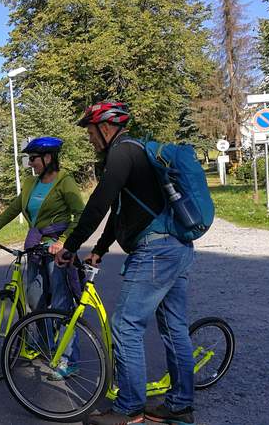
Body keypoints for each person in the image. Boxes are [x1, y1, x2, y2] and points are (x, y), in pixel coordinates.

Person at [53, 101, 196, 425]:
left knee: (126, 325)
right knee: (174, 329)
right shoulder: (137, 155)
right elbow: (121, 213)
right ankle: (180, 406)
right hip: (176, 248)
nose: (90, 139)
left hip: (156, 252)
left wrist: (71, 245)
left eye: (90, 132)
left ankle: (129, 409)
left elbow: (100, 202)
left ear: (106, 128)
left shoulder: (122, 152)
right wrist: (101, 248)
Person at [0, 136, 85, 379]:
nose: (30, 163)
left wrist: (64, 241)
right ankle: (47, 347)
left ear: (48, 158)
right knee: (36, 302)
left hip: (57, 253)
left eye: (33, 158)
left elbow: (80, 215)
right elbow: (12, 211)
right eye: (29, 159)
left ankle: (69, 359)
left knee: (60, 305)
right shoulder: (29, 184)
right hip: (35, 250)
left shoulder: (65, 182)